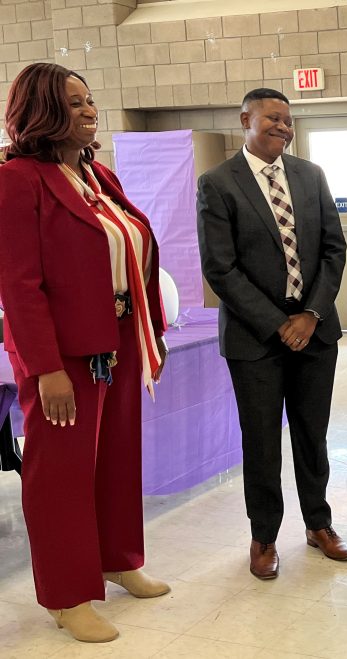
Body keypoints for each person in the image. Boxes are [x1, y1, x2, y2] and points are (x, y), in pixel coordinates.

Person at [0, 63, 170, 642]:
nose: (89, 111)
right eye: (74, 104)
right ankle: (66, 593)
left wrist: (153, 333)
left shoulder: (97, 174)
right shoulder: (18, 180)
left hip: (118, 337)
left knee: (118, 456)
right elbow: (19, 286)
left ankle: (117, 558)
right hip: (63, 355)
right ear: (43, 112)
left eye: (90, 100)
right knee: (60, 473)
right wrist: (46, 368)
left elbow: (133, 248)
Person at [197, 88, 347, 580]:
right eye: (272, 118)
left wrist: (309, 315)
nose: (283, 127)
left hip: (315, 333)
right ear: (246, 119)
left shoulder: (311, 176)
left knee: (313, 435)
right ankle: (263, 536)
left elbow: (333, 250)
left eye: (288, 120)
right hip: (255, 338)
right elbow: (220, 269)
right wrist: (276, 323)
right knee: (261, 441)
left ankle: (318, 524)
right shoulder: (217, 184)